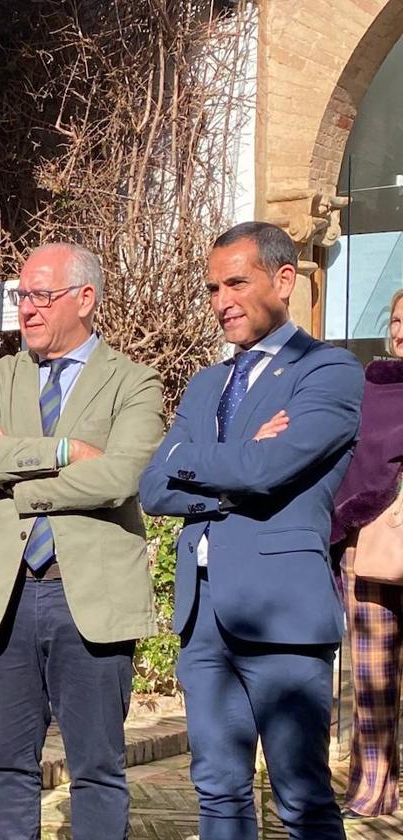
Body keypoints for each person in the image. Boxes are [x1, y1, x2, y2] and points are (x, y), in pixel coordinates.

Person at [139, 221, 363, 840]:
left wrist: (192, 458)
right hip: (202, 615)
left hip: (281, 612)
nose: (221, 301)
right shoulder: (209, 382)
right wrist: (228, 457)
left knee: (302, 799)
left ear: (284, 280)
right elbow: (153, 486)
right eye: (212, 288)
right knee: (217, 792)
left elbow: (267, 472)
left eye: (236, 282)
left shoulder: (329, 371)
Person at [0, 243, 162, 840]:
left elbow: (121, 476)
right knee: (7, 764)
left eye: (42, 296)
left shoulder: (133, 381)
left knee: (97, 767)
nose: (28, 310)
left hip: (87, 598)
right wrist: (62, 453)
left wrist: (15, 486)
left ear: (85, 299)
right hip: (6, 598)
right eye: (22, 297)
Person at [330, 287, 403, 820]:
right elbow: (351, 462)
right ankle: (373, 785)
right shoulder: (367, 389)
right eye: (397, 320)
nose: (400, 332)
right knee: (372, 678)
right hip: (370, 544)